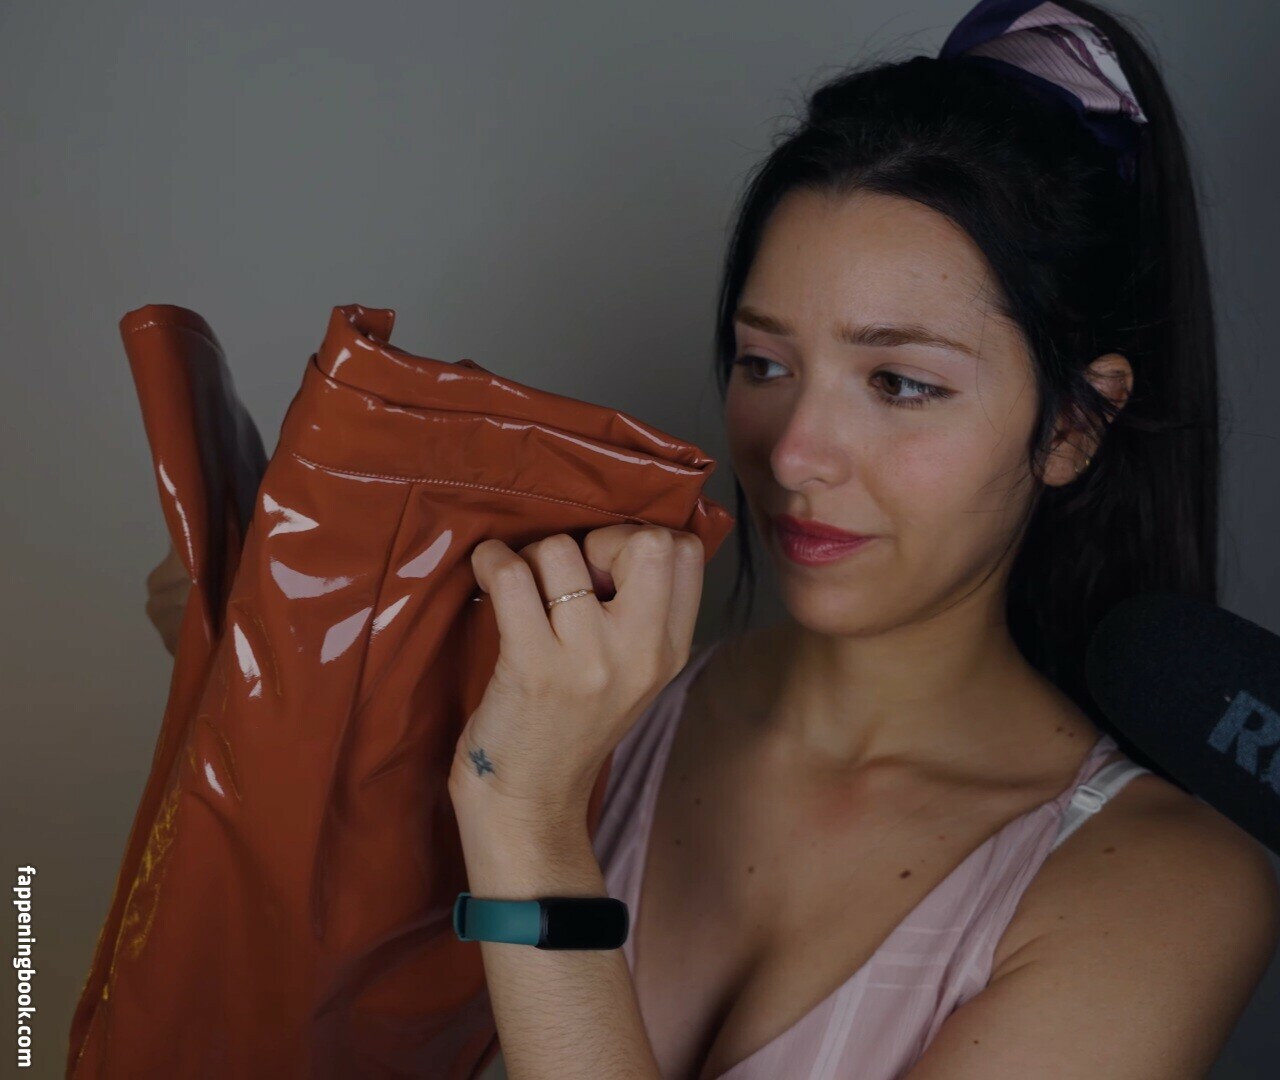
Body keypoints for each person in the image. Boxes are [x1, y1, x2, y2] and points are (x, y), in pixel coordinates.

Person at [147, 2, 1280, 1076]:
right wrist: (269, 684)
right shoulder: (576, 714)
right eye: (764, 363)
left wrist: (528, 825)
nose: (793, 453)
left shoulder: (1168, 887)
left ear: (1074, 427)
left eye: (899, 382)